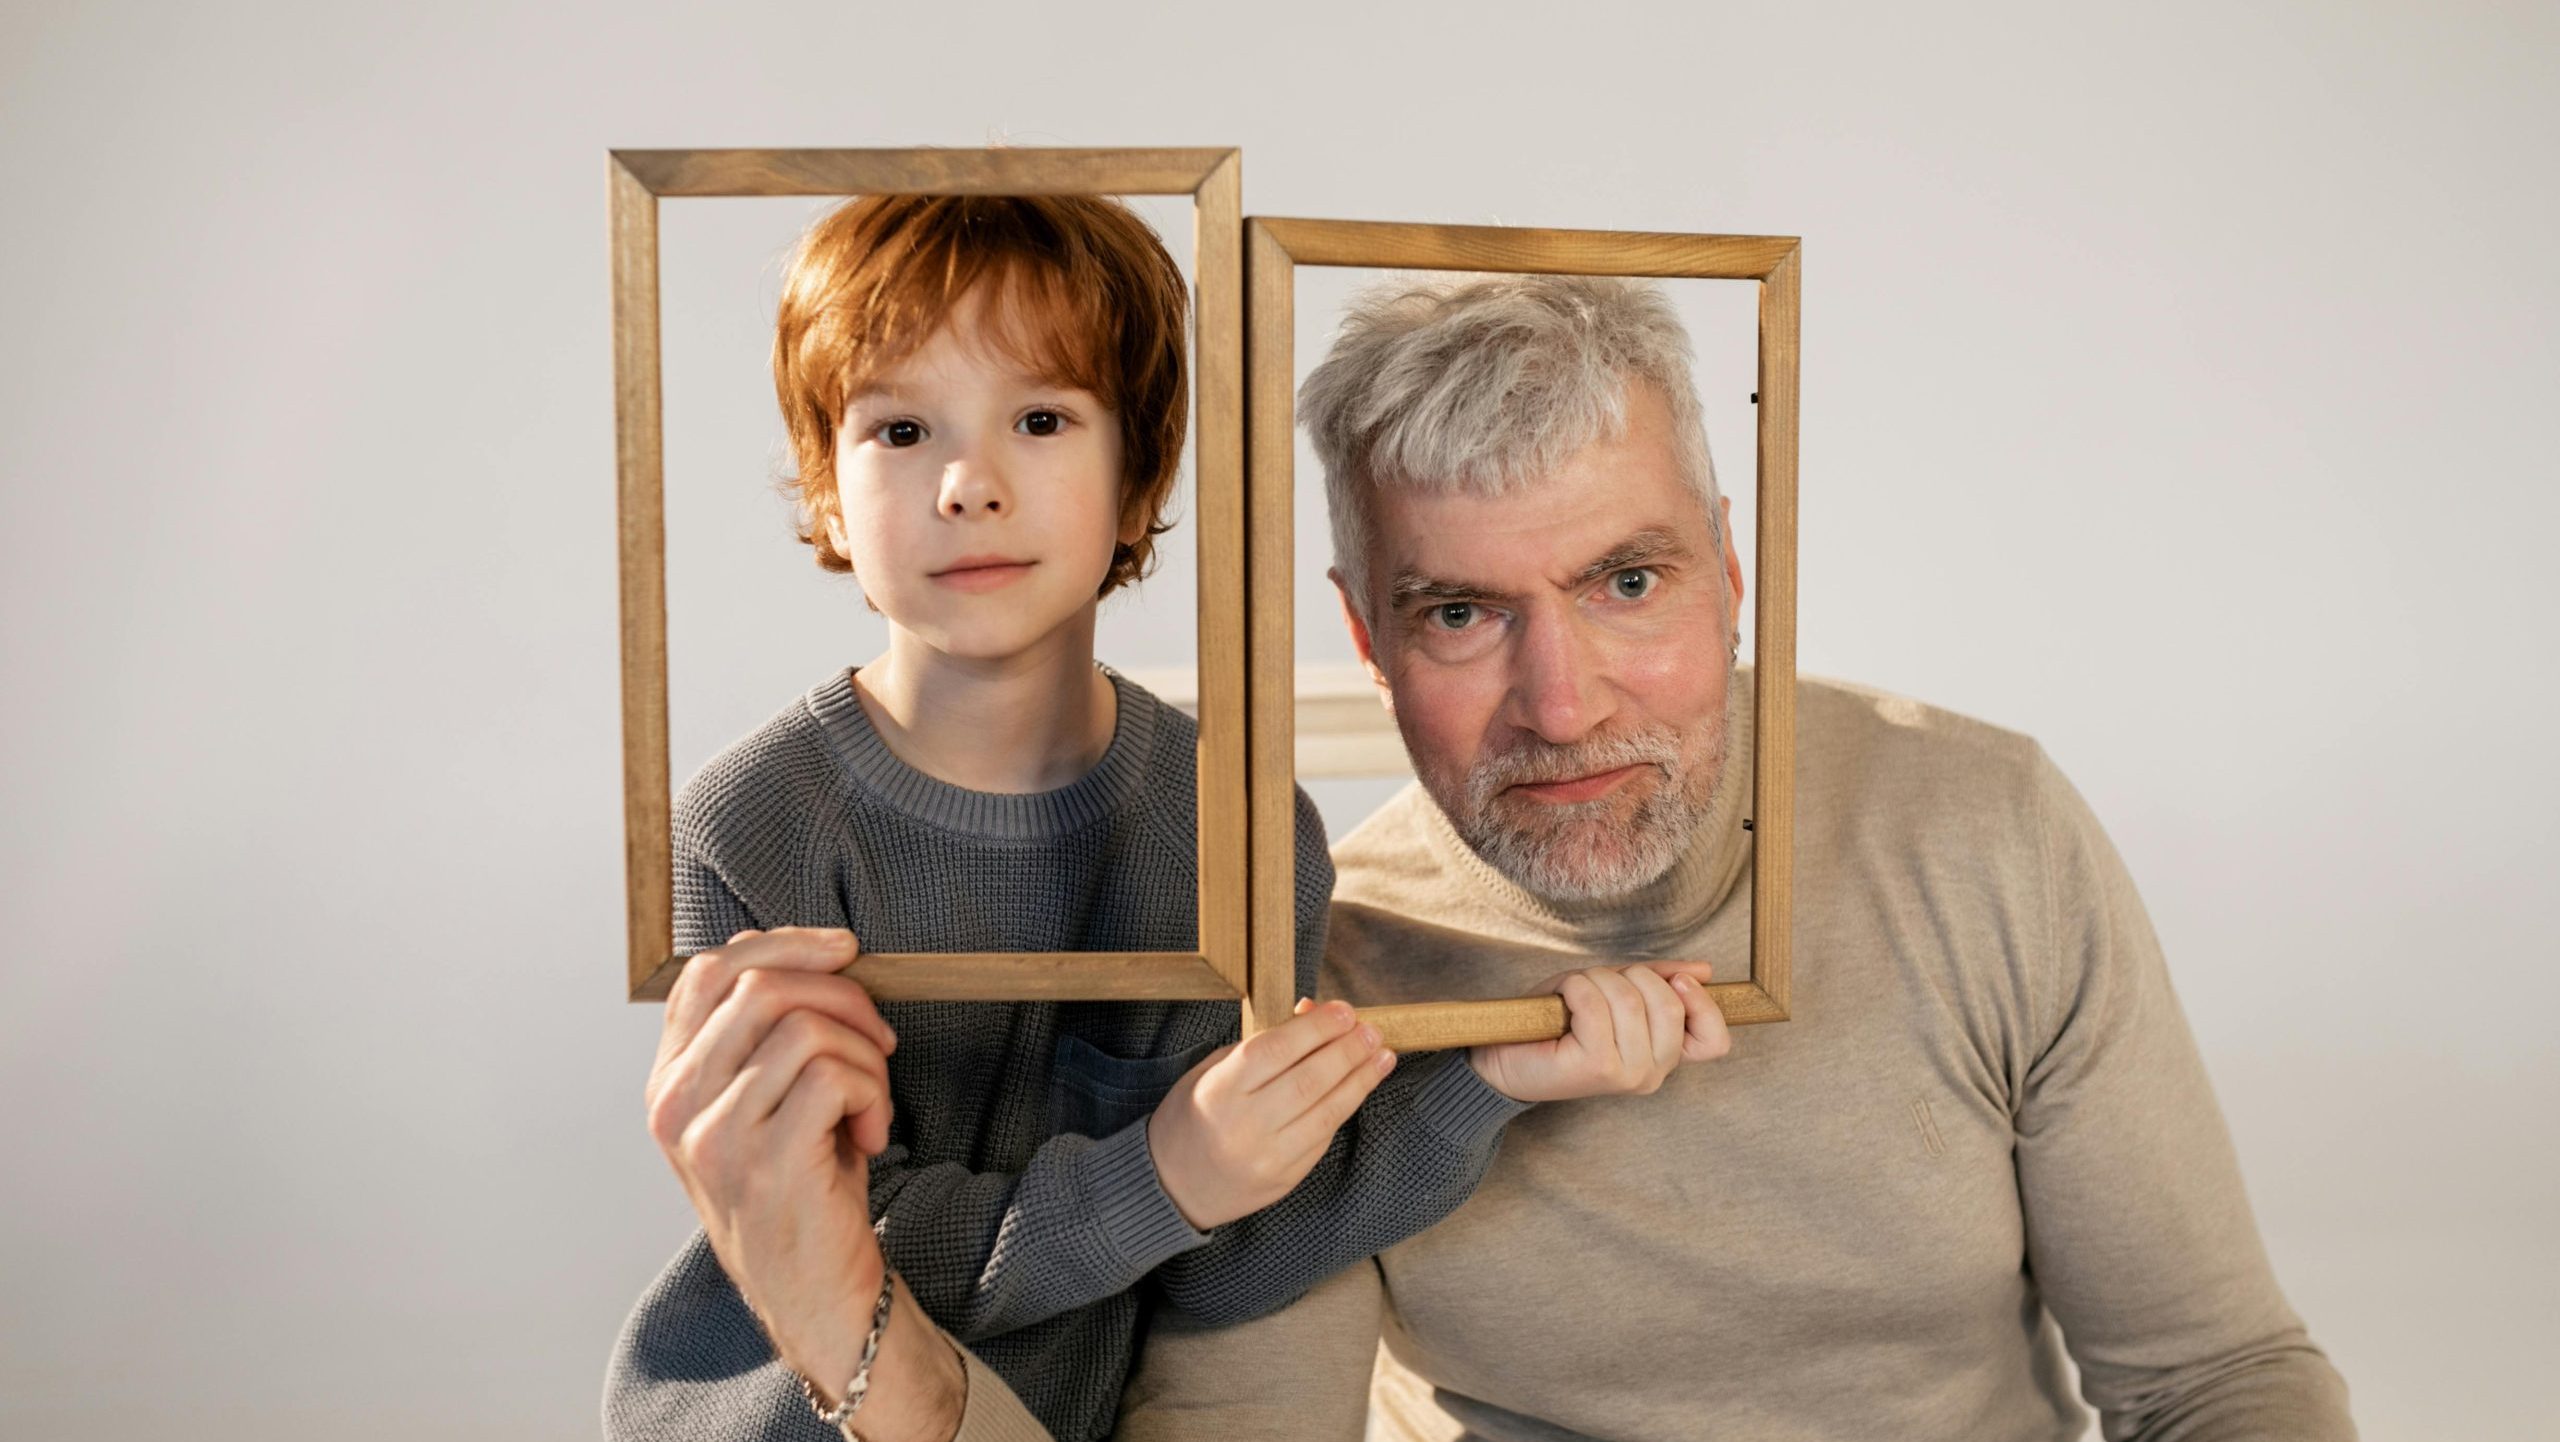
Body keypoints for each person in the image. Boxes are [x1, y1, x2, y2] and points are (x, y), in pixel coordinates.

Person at [1109, 272, 2358, 1440]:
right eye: (1459, 613)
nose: (1562, 705)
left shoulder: (1983, 825)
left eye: (1629, 581)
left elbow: (2212, 1379)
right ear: (1363, 632)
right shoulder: (1317, 969)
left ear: (1729, 565)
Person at [603, 202, 1731, 1442]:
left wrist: (1487, 1082)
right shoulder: (747, 823)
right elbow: (822, 1247)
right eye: (900, 428)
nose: (968, 484)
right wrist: (1168, 1172)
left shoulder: (1233, 826)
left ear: (1138, 478)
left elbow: (1223, 1268)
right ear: (826, 488)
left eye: (1040, 420)